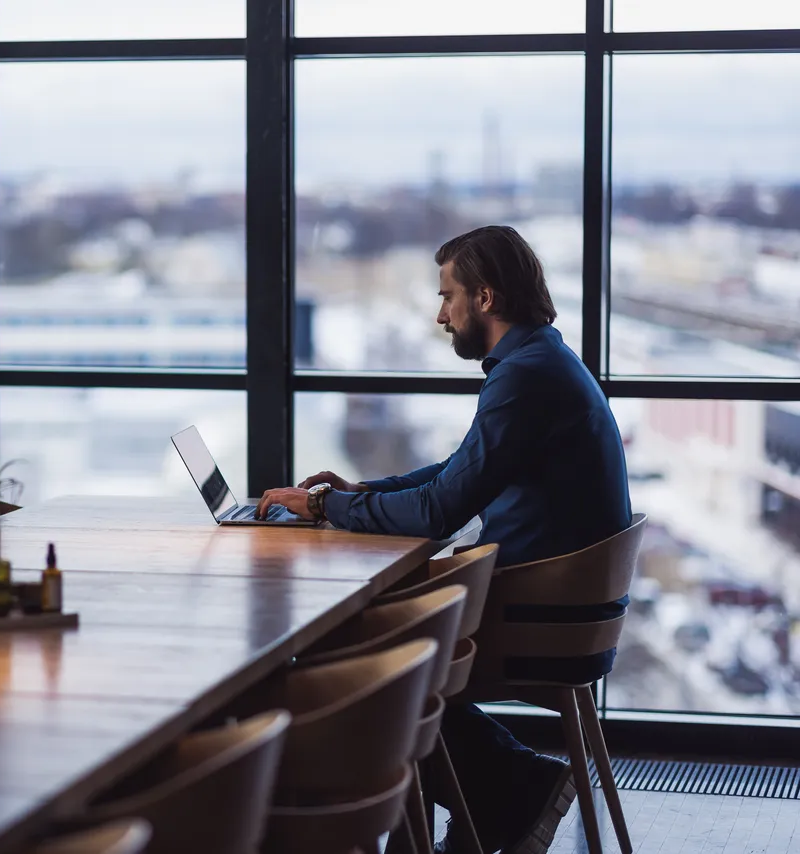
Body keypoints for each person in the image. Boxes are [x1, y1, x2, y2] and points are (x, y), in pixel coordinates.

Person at [257, 225, 632, 854]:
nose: (440, 314)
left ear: (484, 298)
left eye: (447, 296)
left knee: (359, 668)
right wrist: (356, 491)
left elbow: (439, 509)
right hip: (563, 604)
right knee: (361, 654)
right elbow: (457, 473)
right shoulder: (541, 360)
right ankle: (506, 790)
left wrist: (329, 506)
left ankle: (512, 788)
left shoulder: (526, 377)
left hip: (546, 617)